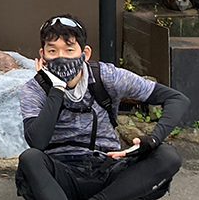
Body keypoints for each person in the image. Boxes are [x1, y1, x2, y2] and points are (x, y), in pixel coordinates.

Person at [16, 14, 189, 200]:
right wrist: (57, 88)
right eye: (52, 51)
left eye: (69, 50)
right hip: (60, 175)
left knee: (167, 156)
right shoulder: (34, 90)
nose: (61, 57)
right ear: (42, 55)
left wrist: (153, 140)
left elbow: (177, 99)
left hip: (108, 167)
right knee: (29, 158)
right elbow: (37, 142)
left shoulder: (106, 76)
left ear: (85, 53)